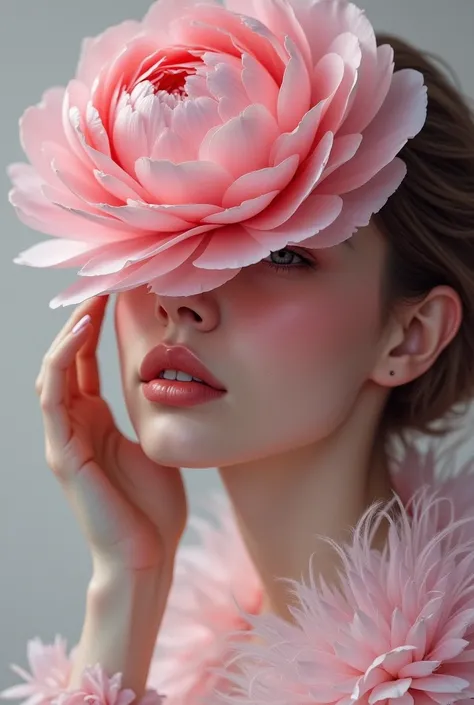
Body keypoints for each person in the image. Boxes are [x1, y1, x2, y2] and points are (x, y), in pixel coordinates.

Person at [2, 1, 474, 704]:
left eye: (282, 253)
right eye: (161, 235)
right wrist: (130, 579)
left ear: (409, 336)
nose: (180, 295)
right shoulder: (206, 662)